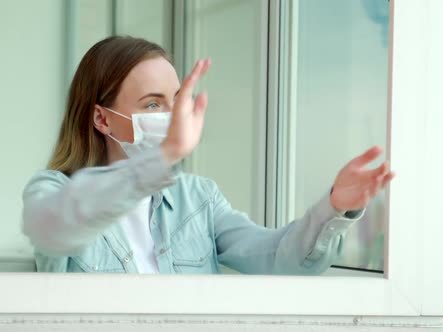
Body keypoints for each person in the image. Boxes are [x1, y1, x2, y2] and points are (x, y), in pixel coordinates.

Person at [21, 36, 394, 274]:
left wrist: (335, 207)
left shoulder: (198, 198)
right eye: (153, 104)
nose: (171, 116)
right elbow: (54, 227)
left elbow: (279, 258)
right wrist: (164, 155)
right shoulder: (52, 191)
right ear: (102, 118)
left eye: (176, 101)